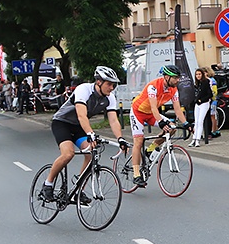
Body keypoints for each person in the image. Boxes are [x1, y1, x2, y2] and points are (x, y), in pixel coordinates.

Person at [41, 67, 129, 202]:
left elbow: (113, 120)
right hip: (62, 123)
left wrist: (120, 139)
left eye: (114, 85)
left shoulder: (110, 98)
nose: (112, 88)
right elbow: (81, 115)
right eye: (109, 84)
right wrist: (90, 133)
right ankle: (48, 184)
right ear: (99, 82)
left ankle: (79, 189)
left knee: (91, 152)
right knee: (68, 154)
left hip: (78, 127)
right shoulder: (84, 89)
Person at [129, 64, 187, 188]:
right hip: (138, 112)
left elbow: (177, 109)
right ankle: (136, 174)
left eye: (178, 78)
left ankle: (150, 149)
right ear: (166, 77)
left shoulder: (173, 89)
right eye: (175, 78)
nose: (178, 80)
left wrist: (187, 124)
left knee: (172, 128)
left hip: (151, 114)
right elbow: (154, 107)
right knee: (138, 142)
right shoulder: (153, 86)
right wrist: (161, 122)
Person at [191, 67, 213, 147]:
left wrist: (201, 100)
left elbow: (210, 94)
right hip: (197, 104)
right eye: (197, 74)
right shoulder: (196, 83)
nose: (198, 76)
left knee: (200, 121)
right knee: (196, 122)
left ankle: (197, 140)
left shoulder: (206, 82)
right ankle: (194, 138)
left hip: (204, 103)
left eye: (199, 74)